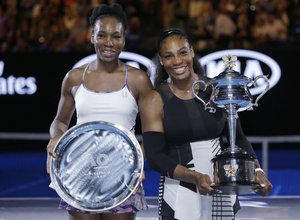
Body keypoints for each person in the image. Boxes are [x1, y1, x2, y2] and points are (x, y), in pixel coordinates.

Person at [140, 28, 273, 220]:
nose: (177, 61)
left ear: (192, 52)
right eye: (168, 56)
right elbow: (155, 156)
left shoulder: (217, 89)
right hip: (178, 190)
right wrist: (194, 177)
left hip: (222, 186)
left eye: (182, 52)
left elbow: (239, 139)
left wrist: (257, 171)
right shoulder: (153, 99)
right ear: (161, 60)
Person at [46, 3, 153, 220]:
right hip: (79, 171)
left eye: (116, 36)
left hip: (122, 173)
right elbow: (60, 120)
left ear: (124, 39)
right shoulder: (74, 77)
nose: (109, 43)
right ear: (91, 36)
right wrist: (56, 136)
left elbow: (153, 129)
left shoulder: (138, 79)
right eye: (102, 35)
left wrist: (137, 163)